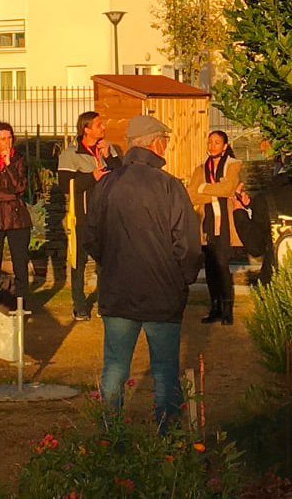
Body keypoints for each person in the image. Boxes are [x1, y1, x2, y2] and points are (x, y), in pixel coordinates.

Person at [86, 114, 202, 430]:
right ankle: (168, 443)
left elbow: (91, 237)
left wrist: (109, 265)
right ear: (155, 143)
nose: (166, 146)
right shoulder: (170, 187)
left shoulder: (107, 184)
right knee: (165, 371)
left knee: (114, 369)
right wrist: (183, 278)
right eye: (165, 140)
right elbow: (189, 245)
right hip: (162, 294)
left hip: (117, 292)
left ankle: (110, 439)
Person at [53, 111, 118, 321]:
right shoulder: (70, 154)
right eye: (99, 125)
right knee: (79, 264)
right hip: (82, 217)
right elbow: (65, 185)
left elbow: (123, 176)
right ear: (86, 129)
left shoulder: (107, 150)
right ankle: (79, 306)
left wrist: (109, 156)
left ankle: (106, 303)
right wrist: (92, 177)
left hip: (106, 218)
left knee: (106, 263)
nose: (104, 128)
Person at [188, 130, 246, 324]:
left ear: (225, 146)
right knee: (211, 265)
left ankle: (227, 308)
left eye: (217, 142)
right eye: (210, 142)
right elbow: (191, 195)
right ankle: (214, 307)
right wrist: (215, 192)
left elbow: (228, 188)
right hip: (207, 221)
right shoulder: (200, 169)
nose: (212, 146)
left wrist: (204, 188)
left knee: (222, 264)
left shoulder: (233, 165)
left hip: (225, 222)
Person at [0, 121, 33, 310]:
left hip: (17, 218)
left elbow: (20, 187)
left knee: (20, 263)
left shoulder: (18, 160)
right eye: (3, 138)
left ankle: (21, 303)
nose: (7, 142)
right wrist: (9, 196)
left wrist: (8, 166)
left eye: (10, 138)